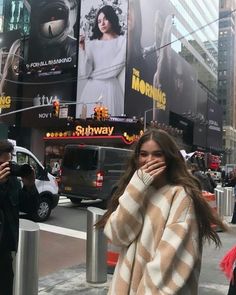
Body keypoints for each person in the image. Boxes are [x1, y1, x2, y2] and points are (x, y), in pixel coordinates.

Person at [97, 129, 226, 294]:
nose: (149, 160)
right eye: (143, 154)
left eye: (157, 154)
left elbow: (170, 262)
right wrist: (135, 189)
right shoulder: (136, 191)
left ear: (169, 158)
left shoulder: (181, 195)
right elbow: (117, 235)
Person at [0, 139, 39, 295]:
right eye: (1, 164)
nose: (6, 168)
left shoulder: (13, 182)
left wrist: (30, 186)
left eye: (8, 164)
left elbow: (30, 209)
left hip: (5, 253)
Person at [76, 5, 126, 118]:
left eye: (105, 19)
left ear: (112, 19)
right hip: (92, 90)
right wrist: (82, 49)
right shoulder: (92, 44)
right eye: (99, 21)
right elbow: (85, 73)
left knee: (110, 123)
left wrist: (95, 75)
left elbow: (115, 68)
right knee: (88, 123)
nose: (102, 24)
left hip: (111, 89)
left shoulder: (122, 41)